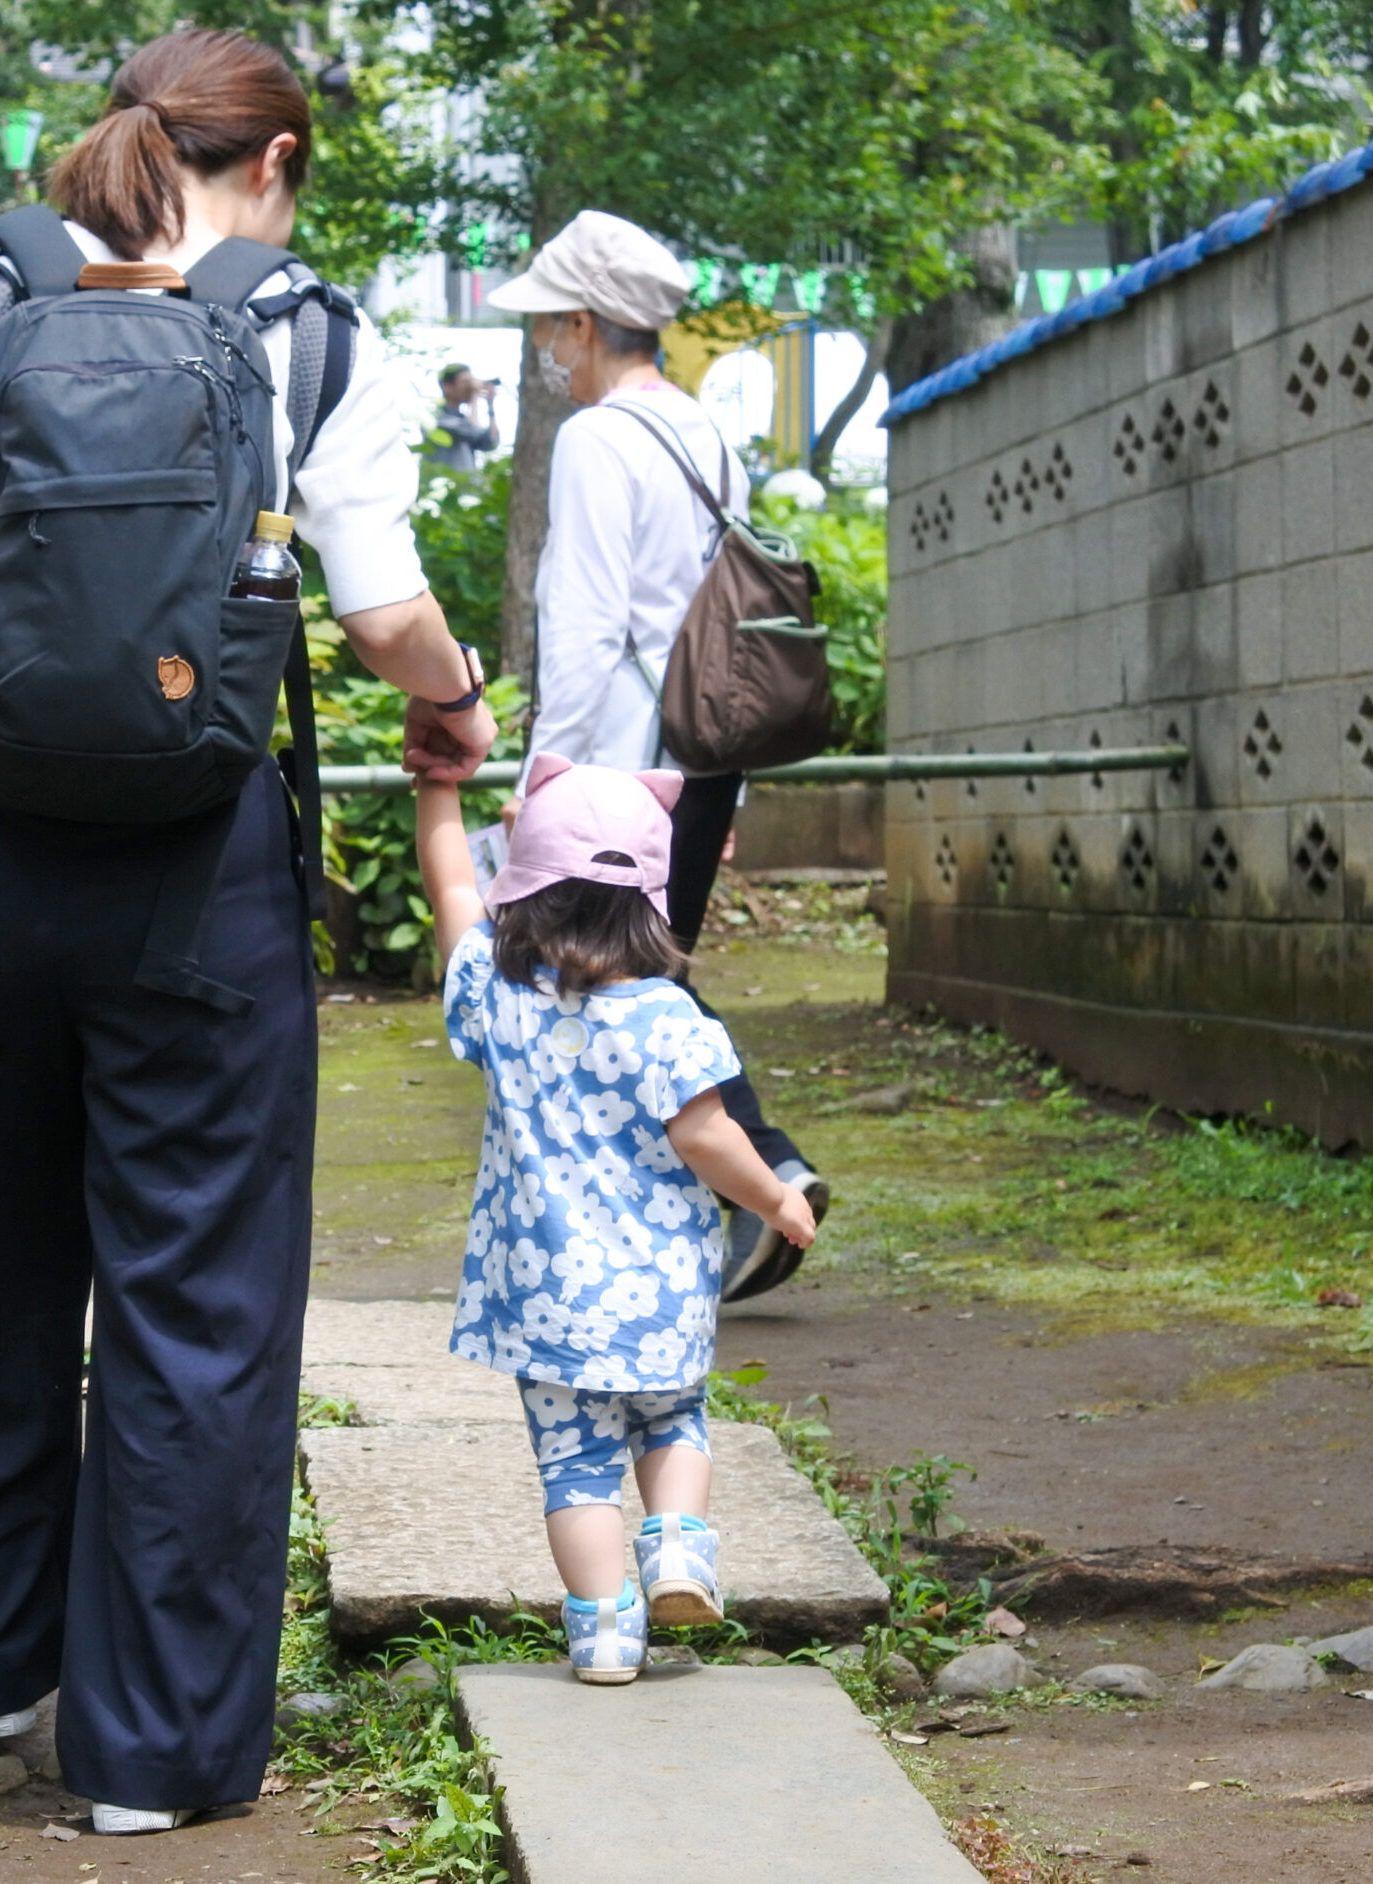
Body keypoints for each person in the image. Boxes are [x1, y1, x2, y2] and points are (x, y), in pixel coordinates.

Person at [0, 27, 493, 1834]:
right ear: (273, 163)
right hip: (197, 872)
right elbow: (382, 606)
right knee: (196, 1298)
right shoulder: (308, 327)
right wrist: (460, 696)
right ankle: (153, 1750)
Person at [414, 754, 815, 1682]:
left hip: (547, 1308)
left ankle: (602, 1632)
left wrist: (436, 786)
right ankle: (676, 1545)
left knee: (576, 1470)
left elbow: (449, 888)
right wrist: (777, 1199)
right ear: (651, 901)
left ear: (522, 890)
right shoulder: (670, 1017)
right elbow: (710, 1136)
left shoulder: (497, 996)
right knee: (676, 1424)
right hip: (661, 1290)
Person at [488, 211, 828, 1302]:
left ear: (586, 325)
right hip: (698, 751)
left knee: (619, 985)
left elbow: (583, 628)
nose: (545, 348)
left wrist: (540, 782)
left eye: (550, 326)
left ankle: (759, 1171)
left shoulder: (596, 439)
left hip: (616, 770)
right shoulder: (700, 431)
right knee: (645, 974)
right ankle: (734, 1187)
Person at [425, 363, 500, 470]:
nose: (471, 387)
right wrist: (474, 397)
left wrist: (490, 405)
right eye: (465, 382)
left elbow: (491, 443)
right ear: (447, 386)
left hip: (467, 485)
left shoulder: (463, 418)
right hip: (445, 483)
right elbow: (471, 431)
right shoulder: (436, 417)